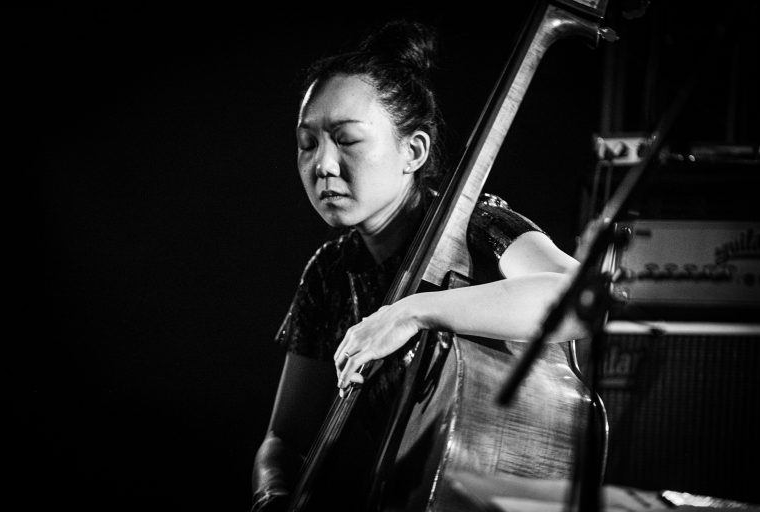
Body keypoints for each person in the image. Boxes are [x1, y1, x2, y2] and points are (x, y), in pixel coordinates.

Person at [251, 19, 587, 512]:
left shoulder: (475, 223)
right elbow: (284, 437)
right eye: (307, 143)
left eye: (346, 140)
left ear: (413, 151)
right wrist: (272, 495)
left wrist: (411, 311)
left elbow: (580, 300)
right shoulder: (329, 272)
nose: (322, 164)